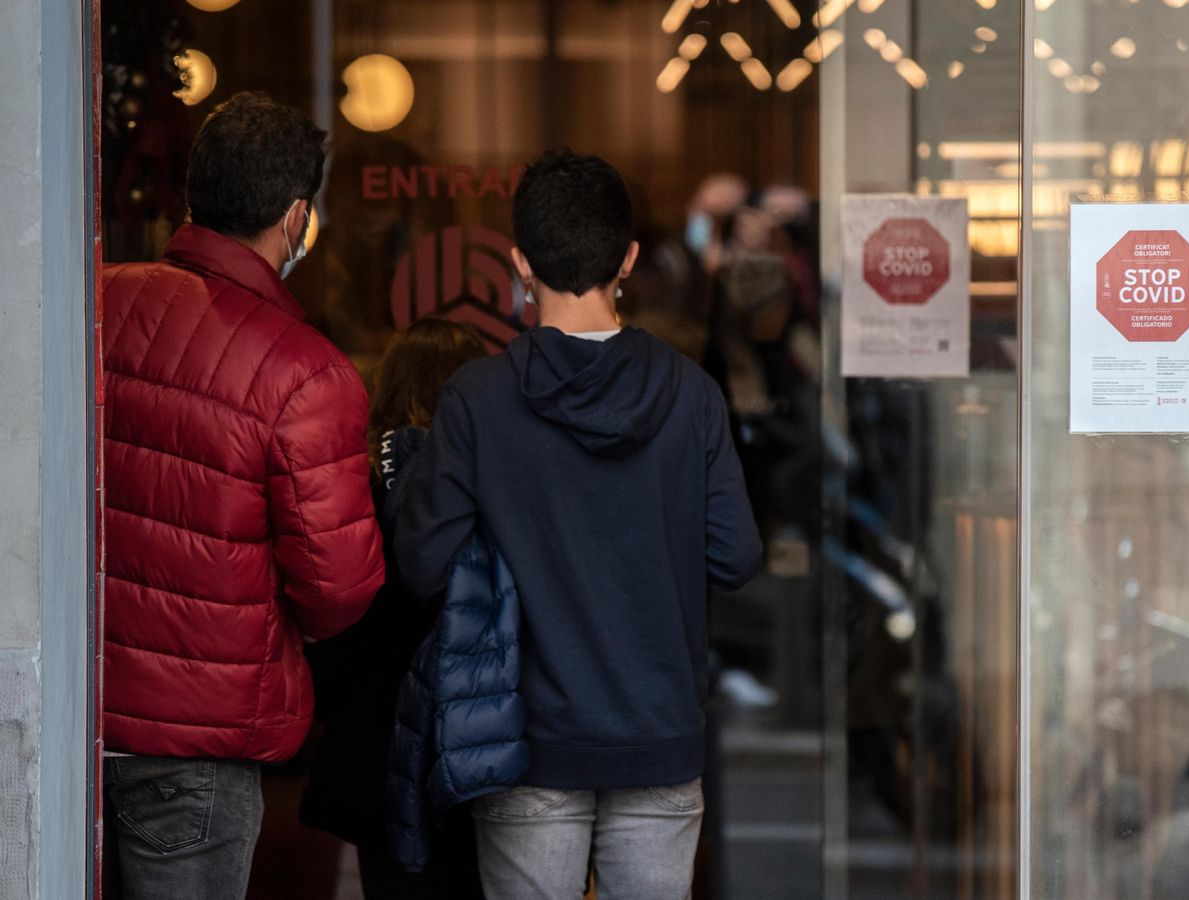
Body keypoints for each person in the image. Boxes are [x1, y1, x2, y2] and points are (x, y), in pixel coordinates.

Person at [394, 149, 763, 899]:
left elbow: (420, 563)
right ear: (628, 258)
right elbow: (736, 556)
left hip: (530, 743)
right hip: (659, 737)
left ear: (521, 263)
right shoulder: (692, 394)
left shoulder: (477, 399)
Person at [100, 92, 384, 900]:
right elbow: (338, 587)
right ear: (296, 219)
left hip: (68, 713)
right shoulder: (305, 372)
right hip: (199, 738)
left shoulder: (92, 304)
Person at [300, 318, 489, 899]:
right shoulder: (486, 484)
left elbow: (330, 604)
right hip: (468, 735)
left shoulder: (354, 480)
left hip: (372, 744)